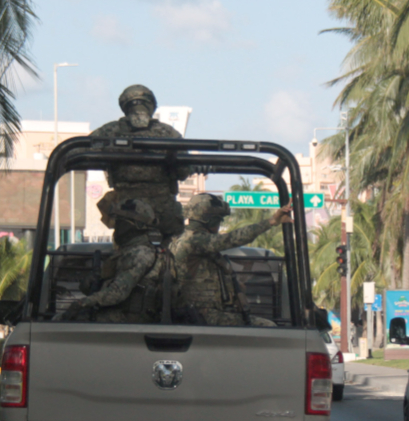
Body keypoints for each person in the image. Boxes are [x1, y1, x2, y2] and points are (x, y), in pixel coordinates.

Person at [171, 193, 292, 326]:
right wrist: (271, 222)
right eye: (218, 221)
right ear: (211, 221)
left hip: (203, 313)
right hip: (201, 315)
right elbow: (232, 239)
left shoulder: (188, 240)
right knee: (268, 327)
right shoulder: (193, 240)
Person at [90, 85, 189, 239]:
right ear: (151, 104)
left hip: (128, 215)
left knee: (124, 257)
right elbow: (183, 171)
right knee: (175, 257)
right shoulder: (168, 133)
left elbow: (81, 151)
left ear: (125, 105)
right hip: (164, 214)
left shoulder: (109, 132)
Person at [58, 194, 170, 323]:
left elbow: (117, 293)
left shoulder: (141, 254)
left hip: (130, 317)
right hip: (118, 313)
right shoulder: (125, 252)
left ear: (137, 225)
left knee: (62, 321)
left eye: (120, 222)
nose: (116, 227)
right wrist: (91, 283)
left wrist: (83, 303)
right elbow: (103, 289)